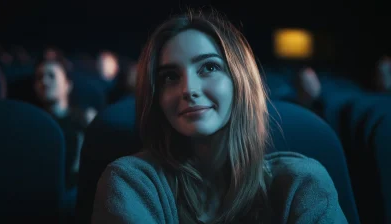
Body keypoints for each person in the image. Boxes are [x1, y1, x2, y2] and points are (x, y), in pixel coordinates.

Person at [92, 10, 347, 223]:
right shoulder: (132, 183)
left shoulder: (302, 183)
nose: (189, 89)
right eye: (170, 76)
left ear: (240, 81)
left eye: (209, 67)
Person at [34, 59, 95, 189]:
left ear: (67, 84)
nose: (44, 82)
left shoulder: (87, 118)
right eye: (39, 78)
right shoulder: (32, 123)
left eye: (51, 76)